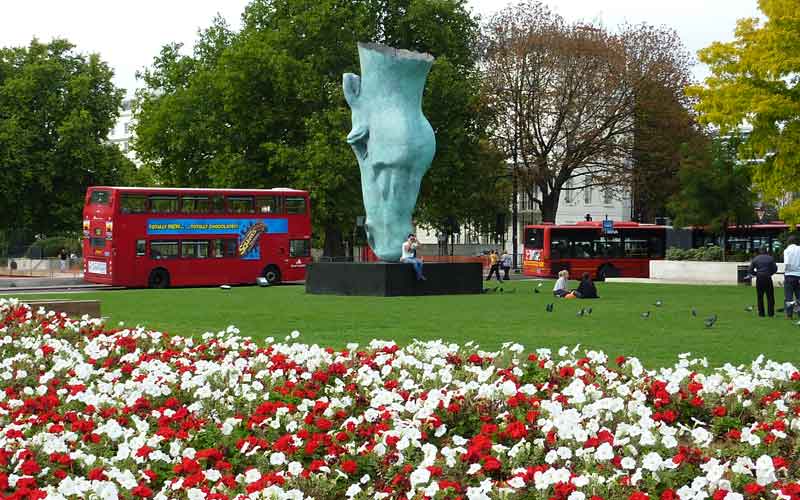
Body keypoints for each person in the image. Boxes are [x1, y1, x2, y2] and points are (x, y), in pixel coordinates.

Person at [749, 246, 778, 317]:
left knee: (760, 297)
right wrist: (770, 273)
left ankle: (761, 314)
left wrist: (756, 274)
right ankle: (771, 313)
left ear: (759, 251)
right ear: (766, 250)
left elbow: (750, 270)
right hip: (768, 278)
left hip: (759, 279)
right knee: (770, 296)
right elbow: (775, 269)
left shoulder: (755, 259)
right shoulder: (770, 258)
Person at [783, 235, 800, 319]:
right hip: (799, 275)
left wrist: (787, 273)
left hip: (789, 275)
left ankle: (789, 315)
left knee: (788, 297)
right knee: (799, 296)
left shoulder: (786, 250)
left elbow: (787, 264)